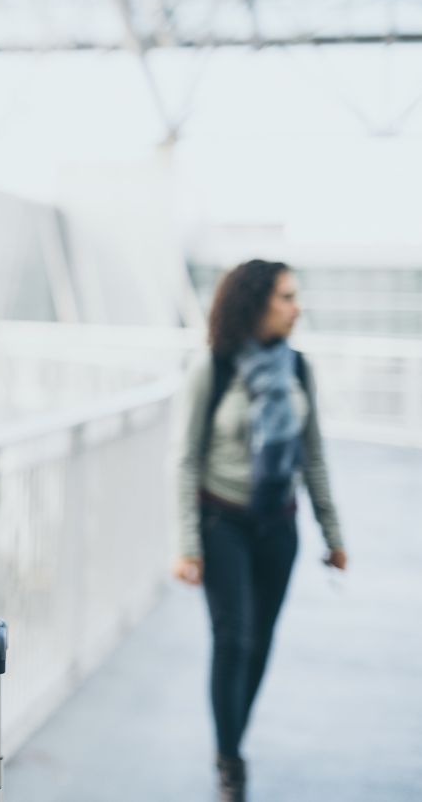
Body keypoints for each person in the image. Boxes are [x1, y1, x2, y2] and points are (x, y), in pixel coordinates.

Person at [173, 259, 347, 801]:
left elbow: (312, 455)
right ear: (256, 303)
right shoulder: (214, 368)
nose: (298, 308)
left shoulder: (298, 369)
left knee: (261, 645)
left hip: (279, 528)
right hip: (222, 522)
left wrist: (333, 534)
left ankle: (231, 737)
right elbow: (184, 460)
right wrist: (187, 545)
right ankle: (230, 761)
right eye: (287, 297)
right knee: (234, 639)